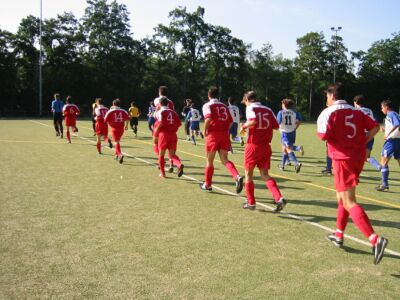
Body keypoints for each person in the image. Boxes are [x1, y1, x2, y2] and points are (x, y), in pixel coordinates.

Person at [317, 82, 387, 265]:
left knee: (349, 201)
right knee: (341, 198)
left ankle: (374, 239)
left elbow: (323, 135)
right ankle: (339, 234)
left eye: (327, 95)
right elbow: (375, 128)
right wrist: (361, 140)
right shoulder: (358, 112)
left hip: (342, 159)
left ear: (332, 95)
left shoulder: (328, 112)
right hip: (356, 157)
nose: (326, 99)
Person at [239, 91, 287, 212]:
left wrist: (244, 126)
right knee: (265, 175)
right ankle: (279, 198)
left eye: (244, 102)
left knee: (248, 175)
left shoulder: (250, 107)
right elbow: (276, 126)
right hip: (266, 146)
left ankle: (251, 203)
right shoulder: (268, 109)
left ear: (246, 100)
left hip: (253, 146)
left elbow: (253, 120)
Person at [199, 87, 243, 193]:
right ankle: (237, 176)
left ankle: (208, 185)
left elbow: (209, 119)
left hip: (213, 135)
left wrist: (205, 130)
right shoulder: (224, 105)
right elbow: (231, 121)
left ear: (209, 95)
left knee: (209, 161)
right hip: (224, 135)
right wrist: (225, 131)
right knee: (225, 160)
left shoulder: (207, 105)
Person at [154, 97, 184, 178]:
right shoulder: (174, 112)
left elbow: (160, 123)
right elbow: (178, 125)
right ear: (168, 104)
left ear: (160, 104)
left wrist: (156, 131)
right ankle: (179, 164)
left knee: (161, 155)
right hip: (173, 135)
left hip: (163, 135)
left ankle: (163, 173)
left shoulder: (160, 112)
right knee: (172, 155)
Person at [376, 99, 400, 191]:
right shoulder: (395, 114)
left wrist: (387, 134)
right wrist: (385, 129)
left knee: (383, 162)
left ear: (387, 107)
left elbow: (397, 124)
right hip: (397, 141)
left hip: (391, 142)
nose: (381, 109)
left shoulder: (391, 114)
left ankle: (384, 184)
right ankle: (384, 184)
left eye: (382, 107)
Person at [353, 94, 381, 171]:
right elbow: (374, 121)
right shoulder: (369, 110)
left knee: (354, 154)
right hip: (371, 135)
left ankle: (353, 171)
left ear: (355, 102)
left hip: (361, 135)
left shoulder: (356, 111)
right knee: (366, 157)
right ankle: (378, 166)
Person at [276, 99, 303, 173]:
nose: (281, 105)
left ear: (284, 105)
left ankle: (296, 163)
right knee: (284, 149)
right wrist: (295, 128)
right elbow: (299, 121)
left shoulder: (281, 112)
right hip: (292, 132)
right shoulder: (294, 112)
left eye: (282, 104)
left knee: (288, 149)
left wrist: (277, 128)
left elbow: (277, 122)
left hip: (285, 133)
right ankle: (282, 165)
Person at [153, 86, 175, 172]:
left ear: (159, 92)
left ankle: (161, 161)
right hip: (170, 124)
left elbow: (157, 111)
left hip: (160, 123)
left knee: (156, 143)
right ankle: (171, 164)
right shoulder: (171, 102)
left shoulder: (157, 100)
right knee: (171, 148)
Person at [104, 99, 130, 164]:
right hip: (121, 129)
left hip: (114, 129)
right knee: (117, 141)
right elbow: (127, 119)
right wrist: (126, 126)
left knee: (116, 142)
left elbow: (105, 120)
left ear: (113, 104)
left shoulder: (110, 111)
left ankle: (120, 155)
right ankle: (116, 155)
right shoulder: (123, 111)